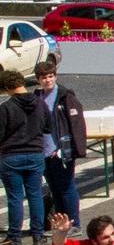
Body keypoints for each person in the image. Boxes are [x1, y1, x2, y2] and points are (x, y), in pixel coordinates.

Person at [35, 62, 85, 232]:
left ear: (55, 77)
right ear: (38, 80)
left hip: (61, 150)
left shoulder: (65, 96)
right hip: (44, 151)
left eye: (50, 76)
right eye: (44, 77)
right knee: (54, 188)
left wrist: (73, 148)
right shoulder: (38, 97)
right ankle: (62, 222)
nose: (47, 80)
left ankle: (74, 223)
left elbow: (76, 124)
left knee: (66, 186)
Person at [0, 69, 46, 245]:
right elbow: (48, 127)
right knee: (35, 195)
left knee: (15, 197)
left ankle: (15, 238)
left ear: (7, 87)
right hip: (35, 153)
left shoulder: (5, 108)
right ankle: (38, 236)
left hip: (11, 156)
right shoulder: (40, 103)